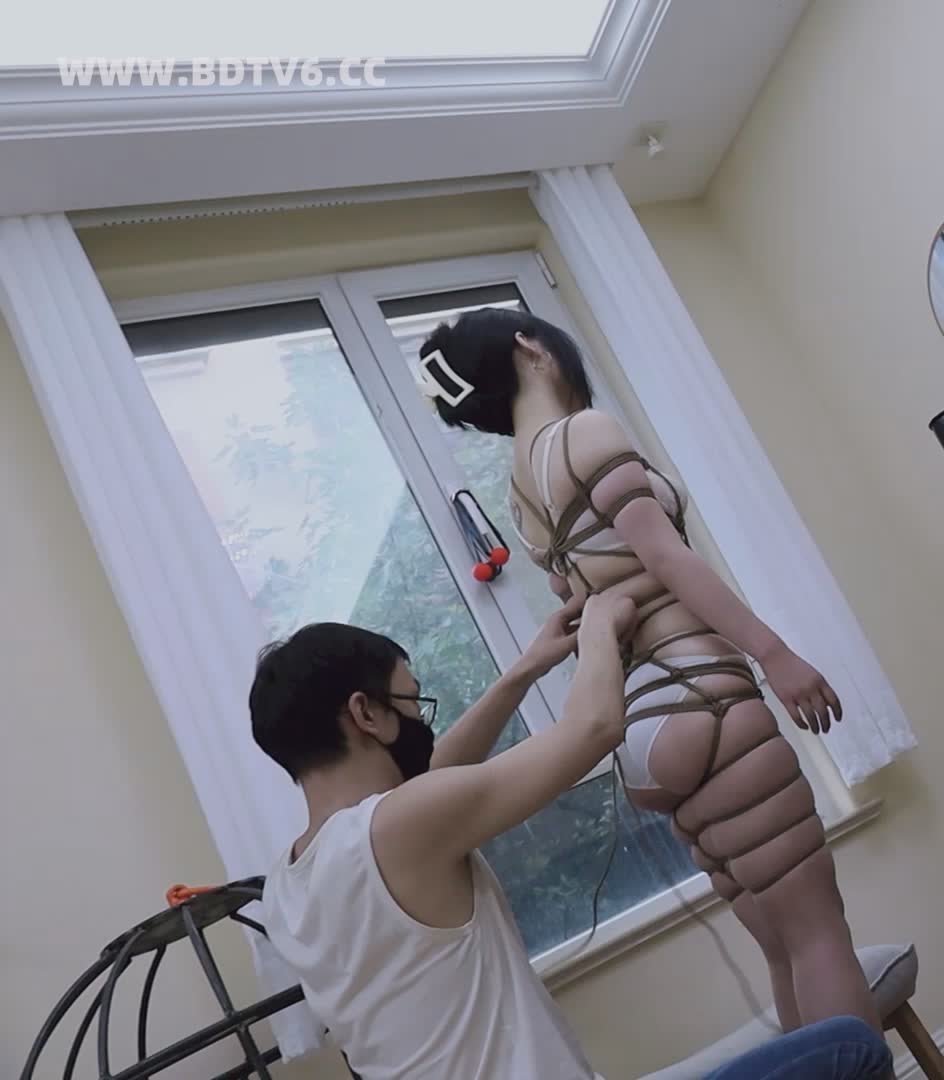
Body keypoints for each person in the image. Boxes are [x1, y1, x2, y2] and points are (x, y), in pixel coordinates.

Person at [413, 309, 877, 1032]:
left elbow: (588, 607)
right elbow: (664, 557)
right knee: (817, 931)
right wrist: (775, 654)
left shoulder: (518, 492)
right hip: (704, 696)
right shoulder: (585, 433)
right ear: (530, 348)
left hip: (646, 731)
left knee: (781, 948)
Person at [253, 598, 893, 1079]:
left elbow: (434, 778)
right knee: (852, 1047)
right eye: (413, 702)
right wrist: (599, 627)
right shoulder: (397, 827)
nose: (421, 720)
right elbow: (593, 729)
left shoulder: (286, 882)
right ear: (365, 712)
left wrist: (525, 670)